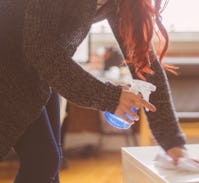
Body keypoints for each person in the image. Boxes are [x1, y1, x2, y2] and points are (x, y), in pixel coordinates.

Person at [0, 0, 187, 182]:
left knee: (49, 165)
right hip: (9, 64)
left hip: (37, 70)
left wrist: (173, 143)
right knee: (43, 161)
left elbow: (146, 67)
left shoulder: (119, 4)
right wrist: (109, 97)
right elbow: (40, 48)